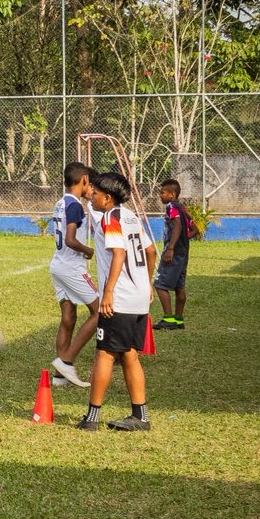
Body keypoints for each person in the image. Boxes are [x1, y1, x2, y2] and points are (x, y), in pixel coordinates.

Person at [79, 172, 156, 431]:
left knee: (104, 354)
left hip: (120, 298)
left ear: (108, 198)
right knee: (130, 355)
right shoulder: (131, 216)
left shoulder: (110, 217)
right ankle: (140, 416)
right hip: (138, 298)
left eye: (96, 193)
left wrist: (109, 291)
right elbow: (150, 251)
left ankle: (91, 419)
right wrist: (147, 284)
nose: (92, 196)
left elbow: (119, 254)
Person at [48, 161, 100, 388]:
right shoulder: (75, 205)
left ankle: (59, 378)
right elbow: (70, 239)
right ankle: (66, 362)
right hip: (71, 267)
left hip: (57, 265)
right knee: (100, 311)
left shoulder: (60, 202)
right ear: (84, 180)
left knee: (68, 318)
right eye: (90, 183)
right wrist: (87, 250)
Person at [153, 176, 197, 330]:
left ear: (172, 194)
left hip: (173, 252)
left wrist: (171, 248)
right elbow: (195, 229)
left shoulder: (171, 206)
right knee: (179, 286)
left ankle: (168, 319)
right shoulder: (182, 208)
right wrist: (183, 239)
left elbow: (177, 225)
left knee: (159, 284)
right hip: (183, 252)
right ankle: (178, 320)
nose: (160, 195)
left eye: (162, 192)